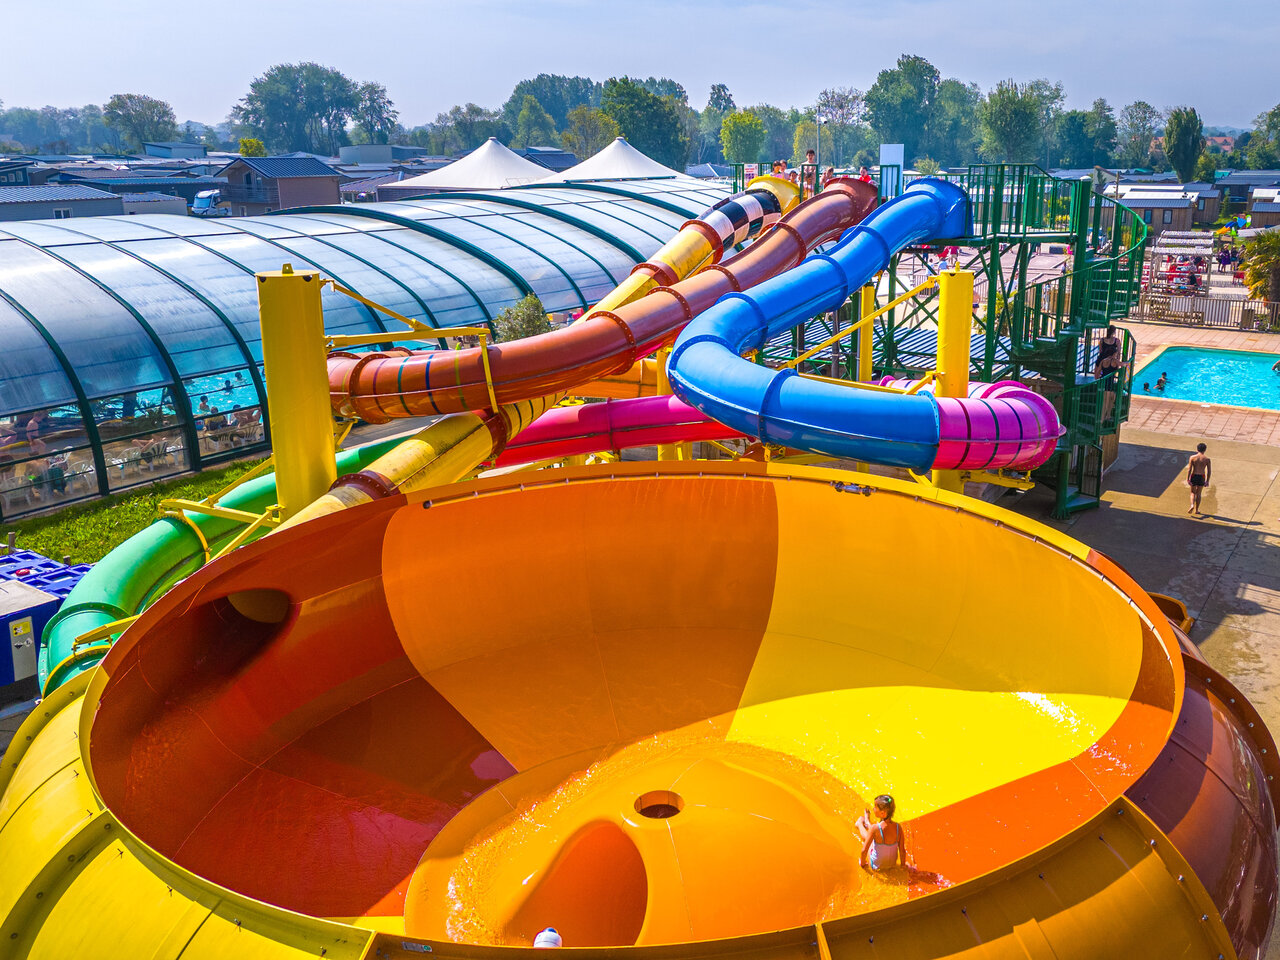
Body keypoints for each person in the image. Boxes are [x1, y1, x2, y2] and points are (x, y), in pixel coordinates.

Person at [857, 794, 905, 871]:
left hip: (876, 866)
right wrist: (903, 866)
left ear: (882, 813)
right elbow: (902, 851)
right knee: (874, 833)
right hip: (892, 865)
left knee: (870, 838)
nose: (873, 808)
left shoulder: (875, 828)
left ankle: (859, 823)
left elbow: (863, 851)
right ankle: (867, 822)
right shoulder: (898, 827)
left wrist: (862, 864)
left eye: (875, 807)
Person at [1187, 442, 1211, 515]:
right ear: (1205, 450)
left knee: (1192, 492)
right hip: (1202, 476)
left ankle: (1192, 505)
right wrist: (1207, 481)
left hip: (1194, 475)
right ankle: (1197, 510)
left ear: (1197, 449)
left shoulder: (1192, 457)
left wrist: (1188, 479)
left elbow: (1189, 469)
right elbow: (1209, 471)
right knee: (1199, 493)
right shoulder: (1207, 459)